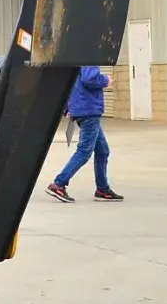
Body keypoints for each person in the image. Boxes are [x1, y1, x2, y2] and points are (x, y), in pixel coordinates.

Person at [47, 65, 122, 202]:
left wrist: (68, 108)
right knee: (84, 151)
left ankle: (102, 189)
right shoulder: (89, 56)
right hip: (89, 110)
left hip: (82, 109)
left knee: (102, 151)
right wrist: (106, 80)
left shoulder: (73, 57)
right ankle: (58, 184)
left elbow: (66, 84)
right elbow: (90, 79)